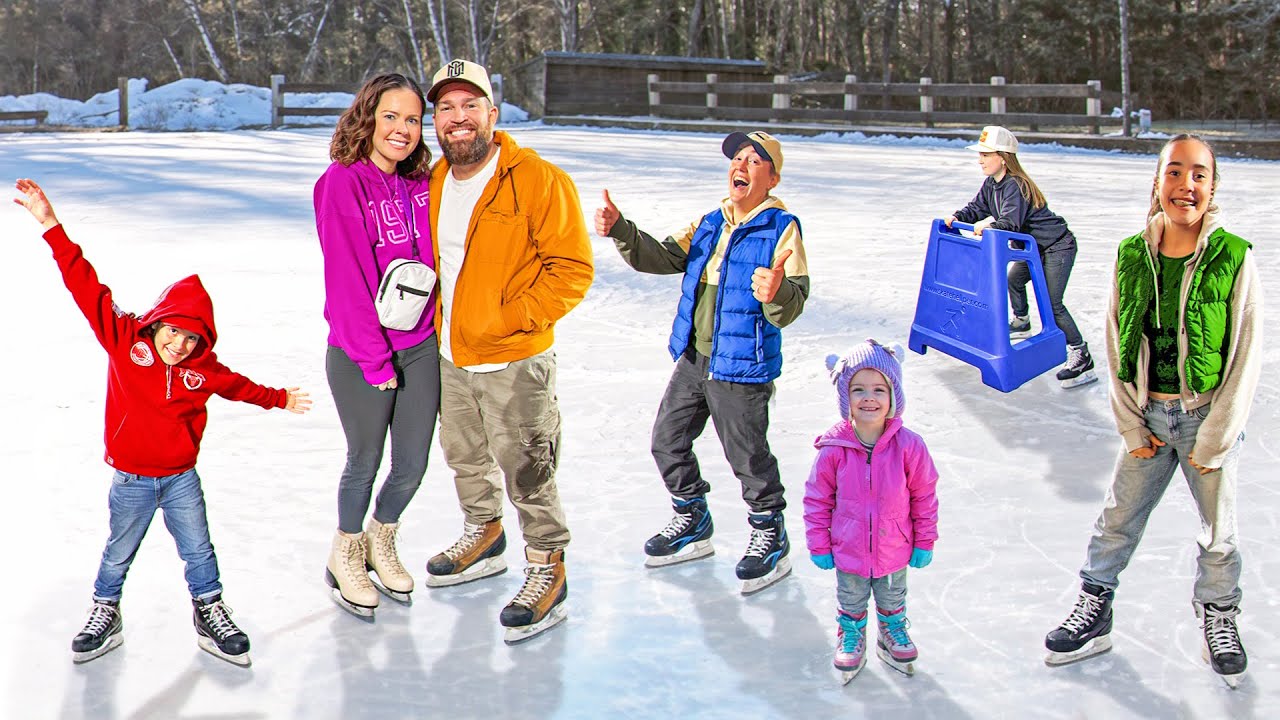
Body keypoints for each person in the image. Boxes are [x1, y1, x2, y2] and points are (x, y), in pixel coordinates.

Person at [13, 179, 312, 667]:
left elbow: (238, 385)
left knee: (199, 551)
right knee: (117, 553)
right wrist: (50, 224)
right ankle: (106, 611)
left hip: (180, 479)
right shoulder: (124, 340)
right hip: (131, 478)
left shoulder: (203, 370)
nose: (180, 345)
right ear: (158, 323)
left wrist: (278, 399)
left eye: (194, 339)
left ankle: (209, 610)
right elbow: (84, 284)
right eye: (174, 331)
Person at [1043, 135, 1262, 688]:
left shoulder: (1233, 255)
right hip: (1148, 418)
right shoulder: (1130, 254)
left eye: (1199, 175)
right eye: (1174, 172)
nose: (1185, 185)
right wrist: (1130, 423)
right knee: (1116, 521)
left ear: (1212, 188)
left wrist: (1217, 434)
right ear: (1157, 181)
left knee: (1218, 534)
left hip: (1207, 419)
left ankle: (1219, 615)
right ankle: (1096, 608)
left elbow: (1246, 352)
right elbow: (1116, 341)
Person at [422, 59, 593, 643]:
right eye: (447, 107)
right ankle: (484, 534)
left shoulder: (539, 179)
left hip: (514, 359)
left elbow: (571, 269)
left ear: (492, 113)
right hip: (449, 353)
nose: (459, 117)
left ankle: (548, 568)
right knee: (464, 456)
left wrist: (510, 321)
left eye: (470, 105)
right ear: (436, 120)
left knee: (529, 467)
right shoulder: (437, 178)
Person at [595, 130, 809, 595]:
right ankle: (692, 517)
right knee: (666, 442)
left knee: (748, 457)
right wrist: (622, 229)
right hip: (696, 359)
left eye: (755, 160)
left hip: (742, 365)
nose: (742, 165)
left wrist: (778, 293)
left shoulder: (782, 228)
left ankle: (771, 532)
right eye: (738, 158)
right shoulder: (710, 222)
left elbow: (793, 301)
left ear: (771, 177)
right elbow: (666, 255)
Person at [314, 72, 440, 618]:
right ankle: (346, 550)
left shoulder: (422, 185)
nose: (402, 129)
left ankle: (380, 537)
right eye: (391, 116)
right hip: (360, 352)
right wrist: (373, 357)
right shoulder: (342, 183)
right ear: (367, 118)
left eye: (412, 119)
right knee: (364, 460)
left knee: (412, 463)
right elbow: (346, 281)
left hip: (421, 344)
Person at [803, 340, 939, 681]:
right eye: (858, 389)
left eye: (879, 389)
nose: (869, 398)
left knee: (893, 597)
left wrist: (925, 541)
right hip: (848, 549)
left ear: (894, 397)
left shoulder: (909, 446)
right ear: (845, 397)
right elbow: (817, 500)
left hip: (894, 547)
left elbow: (924, 496)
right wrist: (819, 544)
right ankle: (851, 634)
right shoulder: (833, 448)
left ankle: (891, 631)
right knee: (851, 599)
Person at [945, 125, 1095, 388]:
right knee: (1014, 280)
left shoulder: (1016, 185)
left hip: (1057, 246)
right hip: (1034, 249)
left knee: (1052, 303)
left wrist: (990, 227)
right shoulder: (992, 184)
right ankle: (1022, 321)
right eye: (980, 154)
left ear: (1003, 157)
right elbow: (976, 208)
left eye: (986, 154)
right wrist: (957, 217)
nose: (980, 160)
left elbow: (1010, 223)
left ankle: (1081, 354)